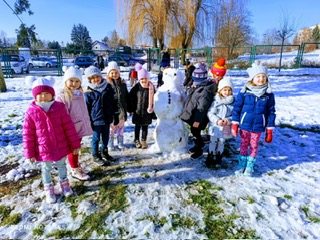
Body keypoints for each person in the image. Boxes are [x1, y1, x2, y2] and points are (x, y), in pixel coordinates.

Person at [23, 76, 81, 204]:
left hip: (60, 146)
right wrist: (30, 153)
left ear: (52, 94)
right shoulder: (31, 112)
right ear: (35, 96)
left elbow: (69, 127)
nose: (43, 97)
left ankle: (65, 184)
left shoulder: (59, 108)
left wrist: (75, 144)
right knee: (46, 169)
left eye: (46, 93)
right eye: (40, 94)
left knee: (62, 166)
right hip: (43, 149)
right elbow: (28, 135)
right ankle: (49, 188)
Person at [231, 62, 276, 177]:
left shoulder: (268, 95)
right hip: (245, 125)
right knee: (244, 144)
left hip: (258, 126)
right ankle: (242, 164)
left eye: (263, 77)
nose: (261, 79)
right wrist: (235, 124)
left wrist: (269, 129)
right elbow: (237, 108)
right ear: (252, 78)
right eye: (258, 77)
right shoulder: (244, 93)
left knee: (254, 145)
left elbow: (271, 112)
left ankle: (250, 166)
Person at [56, 66, 92, 181]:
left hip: (79, 127)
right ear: (65, 81)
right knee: (73, 149)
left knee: (77, 149)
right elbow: (63, 116)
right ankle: (74, 169)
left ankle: (76, 165)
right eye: (71, 80)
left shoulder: (79, 93)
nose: (74, 83)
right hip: (70, 130)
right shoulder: (63, 96)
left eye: (77, 81)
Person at [83, 66, 119, 166]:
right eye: (93, 78)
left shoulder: (108, 88)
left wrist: (115, 115)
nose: (96, 79)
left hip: (107, 118)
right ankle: (95, 154)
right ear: (89, 79)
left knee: (106, 137)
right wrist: (88, 120)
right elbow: (87, 108)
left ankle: (104, 151)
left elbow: (113, 102)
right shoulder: (88, 92)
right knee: (96, 138)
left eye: (97, 76)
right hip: (95, 120)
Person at [180, 62, 216, 159]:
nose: (193, 83)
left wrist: (197, 120)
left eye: (195, 81)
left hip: (199, 118)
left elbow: (202, 108)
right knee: (194, 131)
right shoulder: (199, 88)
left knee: (195, 132)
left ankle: (199, 148)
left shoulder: (204, 92)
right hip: (195, 115)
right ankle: (197, 145)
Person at [205, 77, 235, 167]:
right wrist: (217, 120)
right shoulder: (215, 101)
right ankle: (210, 155)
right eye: (225, 90)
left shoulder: (232, 103)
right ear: (220, 90)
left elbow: (235, 115)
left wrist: (228, 120)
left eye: (229, 90)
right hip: (215, 126)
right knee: (213, 141)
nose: (227, 92)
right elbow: (210, 113)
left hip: (225, 127)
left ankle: (219, 155)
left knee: (222, 141)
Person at [128, 68, 156, 149]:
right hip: (138, 111)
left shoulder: (151, 87)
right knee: (137, 126)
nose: (144, 80)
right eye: (142, 79)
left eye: (146, 78)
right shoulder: (136, 87)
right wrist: (131, 108)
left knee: (145, 127)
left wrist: (153, 110)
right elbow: (131, 98)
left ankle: (144, 140)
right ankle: (136, 139)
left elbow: (155, 99)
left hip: (147, 111)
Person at [105, 61, 129, 150]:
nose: (114, 74)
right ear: (108, 74)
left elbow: (126, 96)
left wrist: (129, 108)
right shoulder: (106, 85)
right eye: (112, 73)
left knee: (121, 128)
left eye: (116, 72)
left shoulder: (123, 85)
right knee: (112, 128)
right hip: (111, 111)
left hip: (121, 111)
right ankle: (110, 143)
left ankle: (120, 142)